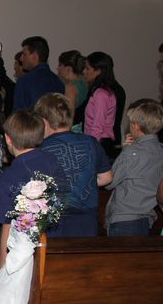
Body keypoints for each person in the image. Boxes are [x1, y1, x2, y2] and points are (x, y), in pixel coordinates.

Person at [0, 110, 65, 268]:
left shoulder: (7, 177)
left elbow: (7, 225)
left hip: (20, 254)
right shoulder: (54, 161)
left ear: (8, 138)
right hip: (54, 244)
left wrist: (2, 267)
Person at [34, 93, 112, 236]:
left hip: (54, 219)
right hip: (87, 217)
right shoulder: (91, 142)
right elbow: (106, 178)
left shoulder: (40, 148)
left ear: (44, 122)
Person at [105, 99, 163, 236]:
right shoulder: (160, 150)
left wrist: (124, 151)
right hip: (147, 216)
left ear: (136, 126)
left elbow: (109, 182)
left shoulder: (132, 153)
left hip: (125, 217)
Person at [80, 51, 118, 157]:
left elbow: (97, 126)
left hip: (99, 143)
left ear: (98, 71)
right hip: (97, 142)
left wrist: (89, 149)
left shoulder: (101, 94)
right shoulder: (100, 92)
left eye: (88, 68)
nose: (84, 72)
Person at [12, 36, 64, 111]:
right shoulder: (58, 82)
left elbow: (19, 117)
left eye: (24, 54)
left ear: (34, 56)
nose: (21, 58)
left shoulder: (25, 81)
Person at [55, 50, 87, 132]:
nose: (57, 68)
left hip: (74, 130)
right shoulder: (84, 84)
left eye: (60, 65)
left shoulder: (70, 88)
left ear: (68, 68)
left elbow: (69, 115)